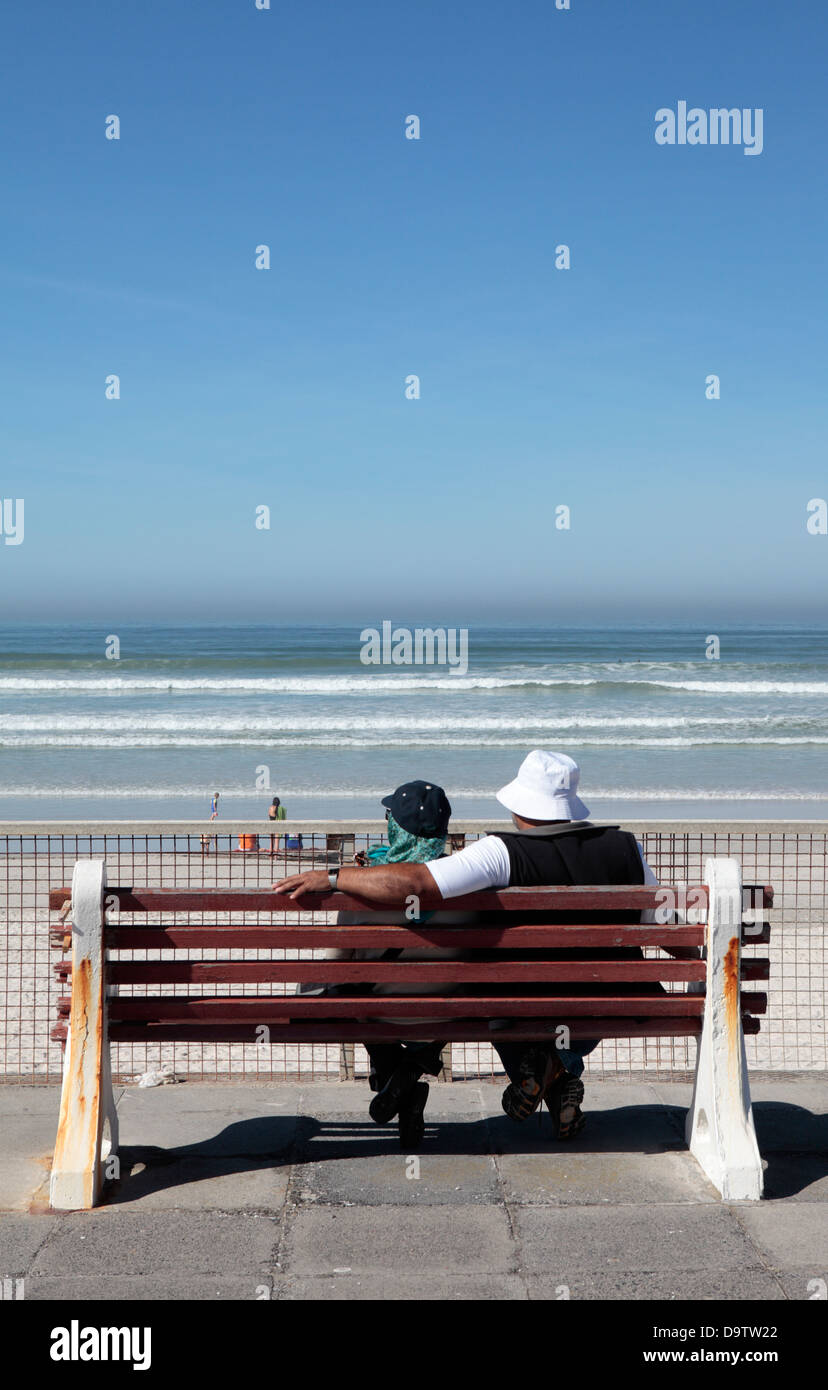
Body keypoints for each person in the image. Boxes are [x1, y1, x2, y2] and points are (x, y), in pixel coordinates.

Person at [274, 750, 686, 1141]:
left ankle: (546, 1066)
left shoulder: (501, 852)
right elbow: (669, 929)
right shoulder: (626, 847)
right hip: (610, 1005)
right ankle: (556, 1067)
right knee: (505, 996)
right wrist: (705, 971)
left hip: (526, 1009)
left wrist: (332, 878)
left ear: (520, 805)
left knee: (496, 995)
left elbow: (416, 882)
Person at [296, 779, 471, 1149]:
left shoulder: (358, 886)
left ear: (395, 827)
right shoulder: (471, 884)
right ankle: (410, 1071)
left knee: (345, 993)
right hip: (453, 1010)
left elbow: (339, 969)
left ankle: (397, 1076)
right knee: (456, 988)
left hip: (379, 1012)